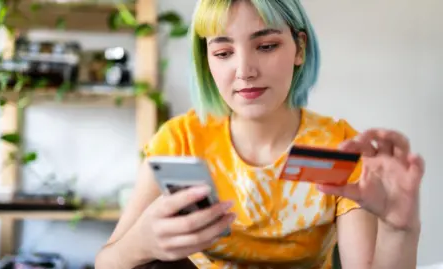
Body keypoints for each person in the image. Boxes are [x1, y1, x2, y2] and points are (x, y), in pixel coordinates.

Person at [95, 0, 426, 268]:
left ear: (299, 48)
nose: (245, 71)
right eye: (223, 53)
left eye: (266, 46)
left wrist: (400, 228)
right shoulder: (181, 139)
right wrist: (139, 244)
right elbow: (107, 262)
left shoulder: (336, 147)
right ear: (206, 61)